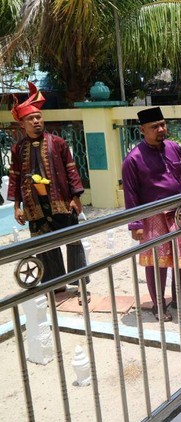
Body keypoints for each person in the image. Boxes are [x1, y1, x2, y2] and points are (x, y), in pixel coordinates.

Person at [7, 82, 90, 303]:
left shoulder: (58, 143)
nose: (36, 121)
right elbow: (15, 176)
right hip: (34, 206)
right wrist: (16, 206)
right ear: (22, 124)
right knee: (45, 247)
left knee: (73, 243)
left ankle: (81, 285)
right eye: (31, 119)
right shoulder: (18, 149)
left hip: (61, 202)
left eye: (39, 117)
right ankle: (56, 286)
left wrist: (76, 198)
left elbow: (71, 170)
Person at [122, 107, 181, 322]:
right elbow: (131, 192)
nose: (161, 129)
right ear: (142, 129)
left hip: (178, 211)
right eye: (154, 127)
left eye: (162, 124)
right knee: (158, 262)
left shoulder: (173, 148)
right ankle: (158, 305)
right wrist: (135, 224)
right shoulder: (133, 159)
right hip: (153, 216)